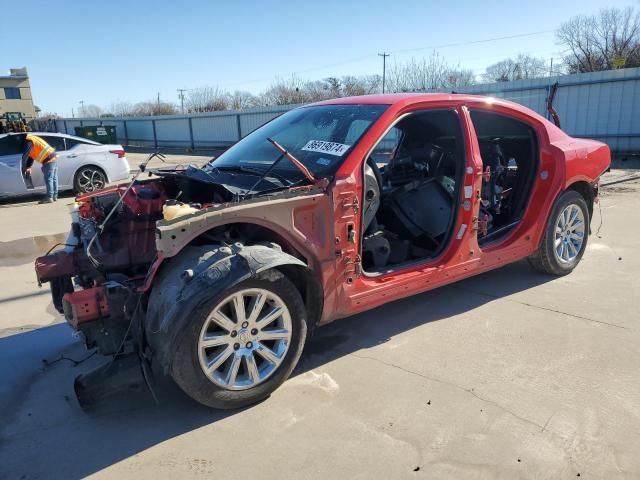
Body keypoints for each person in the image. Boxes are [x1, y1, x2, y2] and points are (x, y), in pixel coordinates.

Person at [23, 134, 58, 203]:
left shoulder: (28, 141)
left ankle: (49, 197)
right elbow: (31, 155)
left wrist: (24, 166)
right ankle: (54, 196)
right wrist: (28, 166)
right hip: (53, 156)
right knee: (53, 178)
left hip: (48, 159)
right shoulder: (32, 138)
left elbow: (26, 154)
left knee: (49, 179)